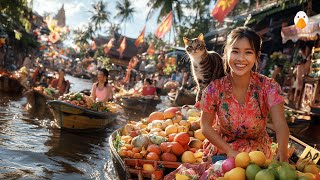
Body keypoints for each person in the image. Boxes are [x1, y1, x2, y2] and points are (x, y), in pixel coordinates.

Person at [198, 27, 289, 162]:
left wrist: (282, 152)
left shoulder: (269, 87)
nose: (241, 59)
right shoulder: (214, 89)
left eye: (248, 52)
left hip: (257, 155)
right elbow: (205, 126)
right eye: (235, 51)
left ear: (257, 56)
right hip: (223, 150)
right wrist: (230, 151)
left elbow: (281, 124)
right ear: (226, 53)